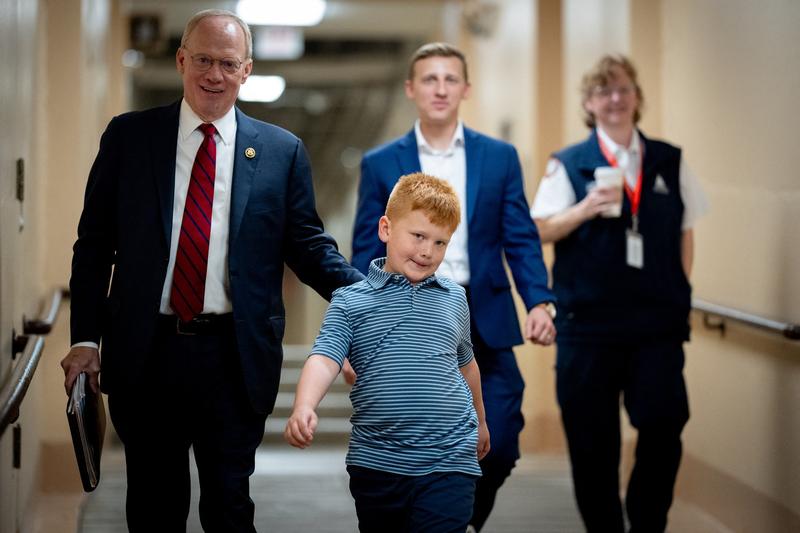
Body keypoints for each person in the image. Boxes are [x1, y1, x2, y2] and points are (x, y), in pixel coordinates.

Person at [59, 9, 363, 532]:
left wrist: (376, 295)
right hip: (146, 353)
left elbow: (309, 247)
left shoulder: (280, 152)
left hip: (234, 357)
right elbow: (93, 247)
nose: (213, 75)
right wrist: (86, 338)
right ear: (181, 60)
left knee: (229, 503)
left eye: (227, 63)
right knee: (154, 504)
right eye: (202, 60)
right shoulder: (131, 138)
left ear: (246, 71)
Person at [351, 42, 556, 531]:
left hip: (482, 313)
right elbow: (364, 250)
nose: (440, 89)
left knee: (501, 440)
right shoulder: (381, 163)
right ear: (411, 89)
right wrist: (358, 330)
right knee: (407, 443)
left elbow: (520, 237)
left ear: (465, 88)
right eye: (429, 79)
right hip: (405, 317)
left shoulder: (499, 157)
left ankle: (459, 519)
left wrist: (540, 300)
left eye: (450, 79)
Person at [530, 54, 709, 532]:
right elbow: (540, 230)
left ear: (637, 97)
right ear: (589, 103)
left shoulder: (669, 160)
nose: (615, 99)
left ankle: (647, 522)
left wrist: (681, 289)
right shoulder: (568, 163)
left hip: (656, 325)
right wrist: (585, 208)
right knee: (592, 441)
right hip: (587, 326)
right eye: (604, 91)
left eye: (623, 89)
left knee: (664, 425)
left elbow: (685, 231)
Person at [286, 172, 489, 533]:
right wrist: (304, 405)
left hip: (449, 456)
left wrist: (482, 421)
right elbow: (325, 356)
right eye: (419, 236)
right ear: (386, 229)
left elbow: (466, 364)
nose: (428, 251)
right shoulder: (351, 301)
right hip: (378, 461)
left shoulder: (455, 298)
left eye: (441, 243)